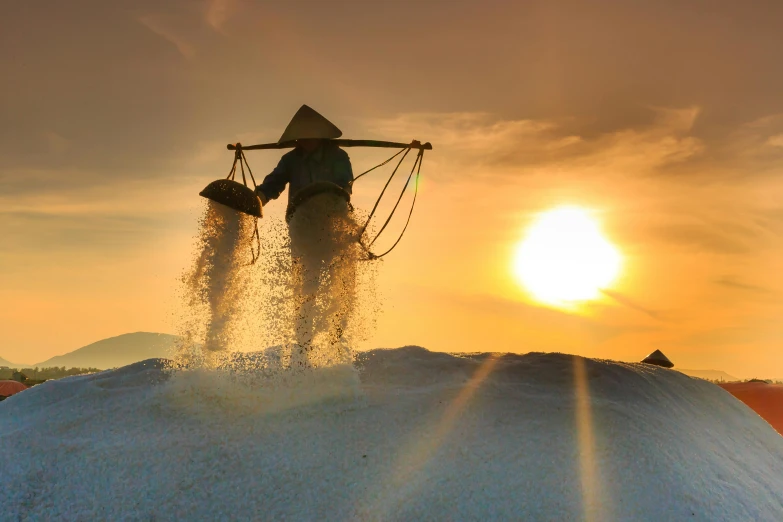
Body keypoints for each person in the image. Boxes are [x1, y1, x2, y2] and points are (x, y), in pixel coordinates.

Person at [254, 105, 358, 368]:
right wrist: (256, 200)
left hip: (334, 229)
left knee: (341, 289)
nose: (303, 141)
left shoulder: (338, 157)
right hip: (302, 230)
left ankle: (336, 349)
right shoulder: (291, 160)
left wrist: (328, 196)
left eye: (307, 136)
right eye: (299, 137)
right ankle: (303, 351)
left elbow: (344, 186)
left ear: (319, 135)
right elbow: (272, 185)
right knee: (305, 291)